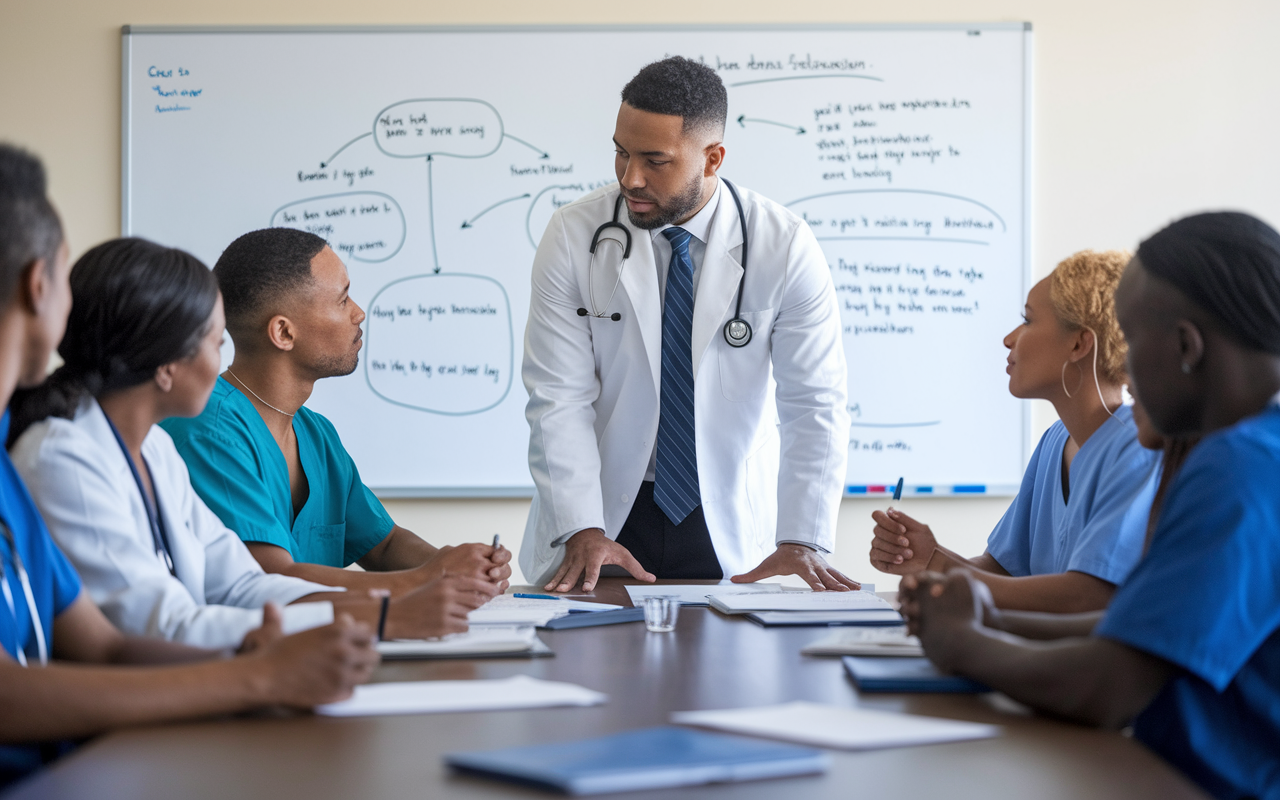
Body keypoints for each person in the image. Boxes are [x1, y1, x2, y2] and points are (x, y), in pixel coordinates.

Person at [0, 143, 377, 788]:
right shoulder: (54, 455)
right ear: (40, 285)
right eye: (215, 341)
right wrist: (257, 669)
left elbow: (118, 639)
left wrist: (271, 647)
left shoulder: (137, 450)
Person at [899, 211, 1280, 800]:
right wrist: (989, 617)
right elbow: (1141, 630)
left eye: (1132, 340)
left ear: (1185, 346)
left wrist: (966, 646)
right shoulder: (1253, 450)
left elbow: (1114, 684)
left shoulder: (1243, 466)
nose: (1123, 366)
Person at [9, 238, 496, 650]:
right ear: (165, 366)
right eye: (216, 342)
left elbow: (243, 584)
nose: (359, 312)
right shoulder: (67, 457)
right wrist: (387, 613)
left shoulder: (154, 450)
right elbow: (164, 625)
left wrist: (402, 599)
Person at [520, 56, 855, 593]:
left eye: (655, 160)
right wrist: (581, 525)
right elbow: (558, 396)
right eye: (621, 153)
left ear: (713, 158)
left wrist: (801, 537)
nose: (631, 177)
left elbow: (814, 402)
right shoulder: (573, 235)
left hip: (725, 514)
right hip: (604, 514)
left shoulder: (783, 244)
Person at [161, 228, 512, 594]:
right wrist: (431, 576)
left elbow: (384, 544)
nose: (359, 313)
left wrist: (458, 563)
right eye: (343, 300)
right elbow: (270, 578)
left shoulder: (317, 434)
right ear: (283, 333)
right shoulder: (208, 429)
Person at [869, 250, 1160, 612]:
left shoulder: (1138, 448)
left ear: (1079, 344)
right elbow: (1003, 571)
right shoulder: (1056, 441)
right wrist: (926, 559)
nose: (1009, 339)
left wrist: (940, 565)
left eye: (1027, 321)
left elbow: (1088, 597)